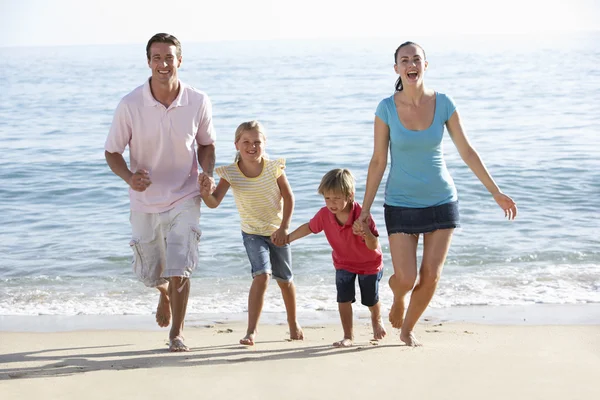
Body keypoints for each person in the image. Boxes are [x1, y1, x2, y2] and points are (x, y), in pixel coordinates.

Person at [357, 41, 517, 347]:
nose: (411, 64)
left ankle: (407, 329)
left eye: (416, 59)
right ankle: (398, 295)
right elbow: (378, 160)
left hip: (442, 200)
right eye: (404, 60)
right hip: (400, 203)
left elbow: (467, 151)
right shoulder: (386, 108)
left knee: (430, 276)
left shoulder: (443, 103)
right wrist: (365, 209)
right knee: (405, 277)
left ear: (425, 65)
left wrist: (495, 192)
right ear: (397, 69)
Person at [104, 33, 216, 352]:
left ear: (179, 60)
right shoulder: (130, 104)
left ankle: (176, 333)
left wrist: (206, 175)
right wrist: (129, 177)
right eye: (157, 58)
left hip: (185, 194)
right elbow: (112, 152)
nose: (163, 64)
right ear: (148, 62)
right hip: (145, 200)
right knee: (151, 272)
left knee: (180, 264)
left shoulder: (198, 101)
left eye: (169, 58)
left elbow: (207, 144)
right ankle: (164, 293)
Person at [199, 120, 303, 346]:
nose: (251, 146)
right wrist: (206, 193)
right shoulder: (231, 173)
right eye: (246, 141)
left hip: (277, 232)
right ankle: (251, 331)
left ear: (264, 144)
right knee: (262, 275)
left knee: (285, 280)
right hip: (252, 233)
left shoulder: (273, 167)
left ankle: (293, 324)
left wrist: (285, 227)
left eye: (257, 142)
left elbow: (289, 197)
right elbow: (214, 202)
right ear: (236, 144)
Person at [279, 168, 386, 347]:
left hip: (369, 264)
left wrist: (365, 232)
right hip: (343, 263)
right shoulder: (324, 214)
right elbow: (309, 228)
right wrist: (288, 238)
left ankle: (376, 318)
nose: (331, 203)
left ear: (350, 195)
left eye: (336, 198)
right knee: (343, 299)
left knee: (370, 299)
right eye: (327, 198)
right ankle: (348, 336)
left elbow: (373, 245)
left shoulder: (362, 215)